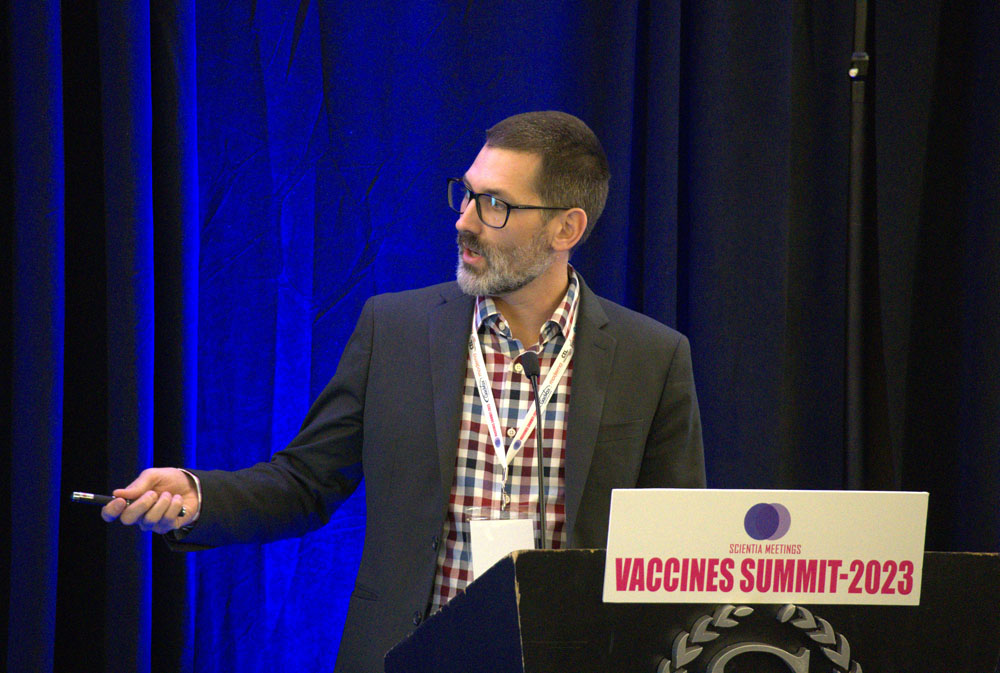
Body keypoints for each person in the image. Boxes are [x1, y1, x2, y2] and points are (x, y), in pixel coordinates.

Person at [102, 110, 705, 672]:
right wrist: (199, 495)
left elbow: (675, 553)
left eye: (494, 205)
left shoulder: (652, 357)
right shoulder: (394, 330)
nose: (464, 220)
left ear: (565, 227)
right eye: (467, 193)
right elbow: (305, 482)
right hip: (408, 655)